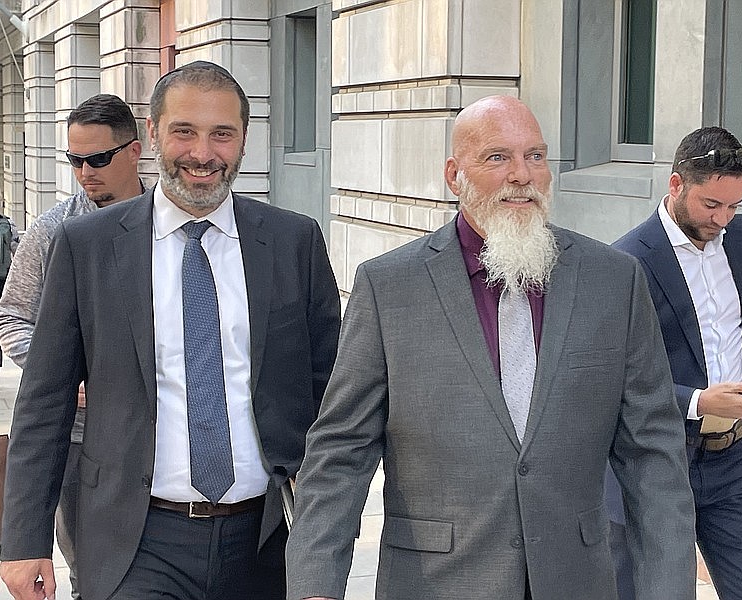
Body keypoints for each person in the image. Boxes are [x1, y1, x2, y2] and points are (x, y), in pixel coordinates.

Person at [285, 95, 696, 600]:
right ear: (454, 175)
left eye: (536, 156)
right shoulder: (390, 286)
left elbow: (654, 454)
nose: (522, 175)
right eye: (498, 157)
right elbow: (341, 451)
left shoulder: (612, 279)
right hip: (436, 583)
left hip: (577, 579)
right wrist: (314, 586)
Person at [0, 61, 341, 600]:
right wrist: (23, 538)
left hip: (265, 542)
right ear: (152, 134)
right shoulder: (86, 246)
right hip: (135, 542)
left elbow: (332, 400)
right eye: (185, 131)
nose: (203, 154)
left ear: (244, 142)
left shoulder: (294, 243)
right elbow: (44, 402)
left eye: (221, 134)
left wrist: (325, 544)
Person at [606, 126, 742, 600]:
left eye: (734, 206)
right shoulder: (626, 261)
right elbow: (612, 379)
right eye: (712, 205)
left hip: (735, 458)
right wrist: (695, 401)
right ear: (676, 185)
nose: (724, 219)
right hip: (657, 464)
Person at [0, 93, 145, 599]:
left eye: (98, 158)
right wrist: (65, 374)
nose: (85, 171)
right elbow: (12, 317)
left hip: (165, 431)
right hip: (84, 436)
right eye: (75, 160)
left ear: (135, 149)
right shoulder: (52, 231)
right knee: (93, 568)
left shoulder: (172, 227)